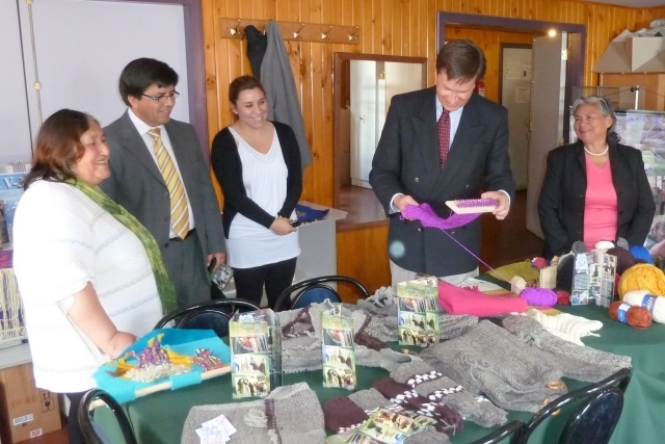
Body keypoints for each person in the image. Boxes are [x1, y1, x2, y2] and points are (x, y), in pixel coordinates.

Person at [12, 109, 168, 444]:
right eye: (92, 142)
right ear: (62, 151)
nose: (105, 149)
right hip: (96, 363)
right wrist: (110, 339)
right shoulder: (52, 200)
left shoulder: (72, 194)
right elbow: (67, 283)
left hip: (104, 363)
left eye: (104, 139)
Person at [369, 39, 515, 287]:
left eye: (464, 91)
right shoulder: (404, 107)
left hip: (458, 245)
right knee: (408, 321)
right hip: (409, 239)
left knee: (459, 321)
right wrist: (397, 200)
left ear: (476, 83)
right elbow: (382, 171)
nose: (453, 99)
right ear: (437, 74)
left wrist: (503, 196)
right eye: (447, 88)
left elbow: (500, 174)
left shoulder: (493, 116)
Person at [100, 58, 226, 308]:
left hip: (193, 249)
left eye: (172, 94)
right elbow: (108, 212)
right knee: (158, 333)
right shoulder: (109, 142)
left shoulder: (185, 133)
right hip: (146, 257)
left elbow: (204, 190)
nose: (170, 102)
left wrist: (216, 242)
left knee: (197, 328)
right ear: (133, 99)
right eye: (160, 96)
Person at [210, 75, 302, 309]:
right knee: (248, 305)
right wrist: (272, 223)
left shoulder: (284, 133)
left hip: (284, 231)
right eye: (248, 105)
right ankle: (252, 347)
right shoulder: (224, 141)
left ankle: (286, 346)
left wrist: (283, 217)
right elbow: (235, 196)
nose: (257, 110)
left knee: (283, 301)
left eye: (261, 102)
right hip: (247, 234)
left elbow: (296, 181)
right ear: (234, 107)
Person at [538, 96, 655, 259]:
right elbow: (547, 207)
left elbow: (646, 207)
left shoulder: (631, 158)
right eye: (577, 118)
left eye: (589, 117)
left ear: (608, 121)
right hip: (571, 250)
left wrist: (627, 248)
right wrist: (565, 250)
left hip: (620, 252)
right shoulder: (560, 158)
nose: (581, 123)